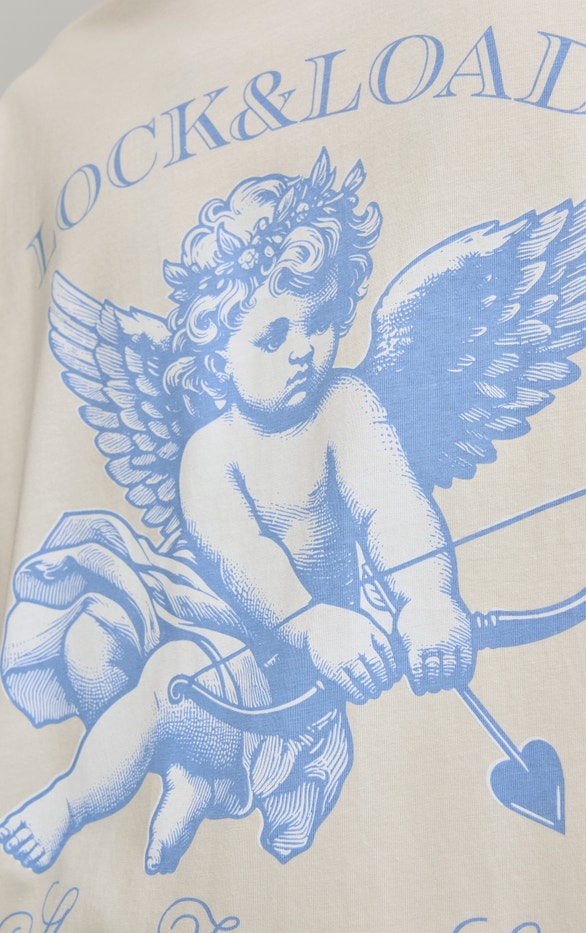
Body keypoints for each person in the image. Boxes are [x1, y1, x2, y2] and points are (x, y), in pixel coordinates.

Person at [0, 152, 474, 874]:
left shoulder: (348, 406)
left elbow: (394, 509)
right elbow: (243, 556)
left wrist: (429, 599)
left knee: (169, 676)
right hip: (237, 619)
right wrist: (309, 618)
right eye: (273, 336)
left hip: (289, 678)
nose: (304, 351)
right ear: (217, 351)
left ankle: (83, 799)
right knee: (92, 642)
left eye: (321, 321)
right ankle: (179, 776)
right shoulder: (210, 451)